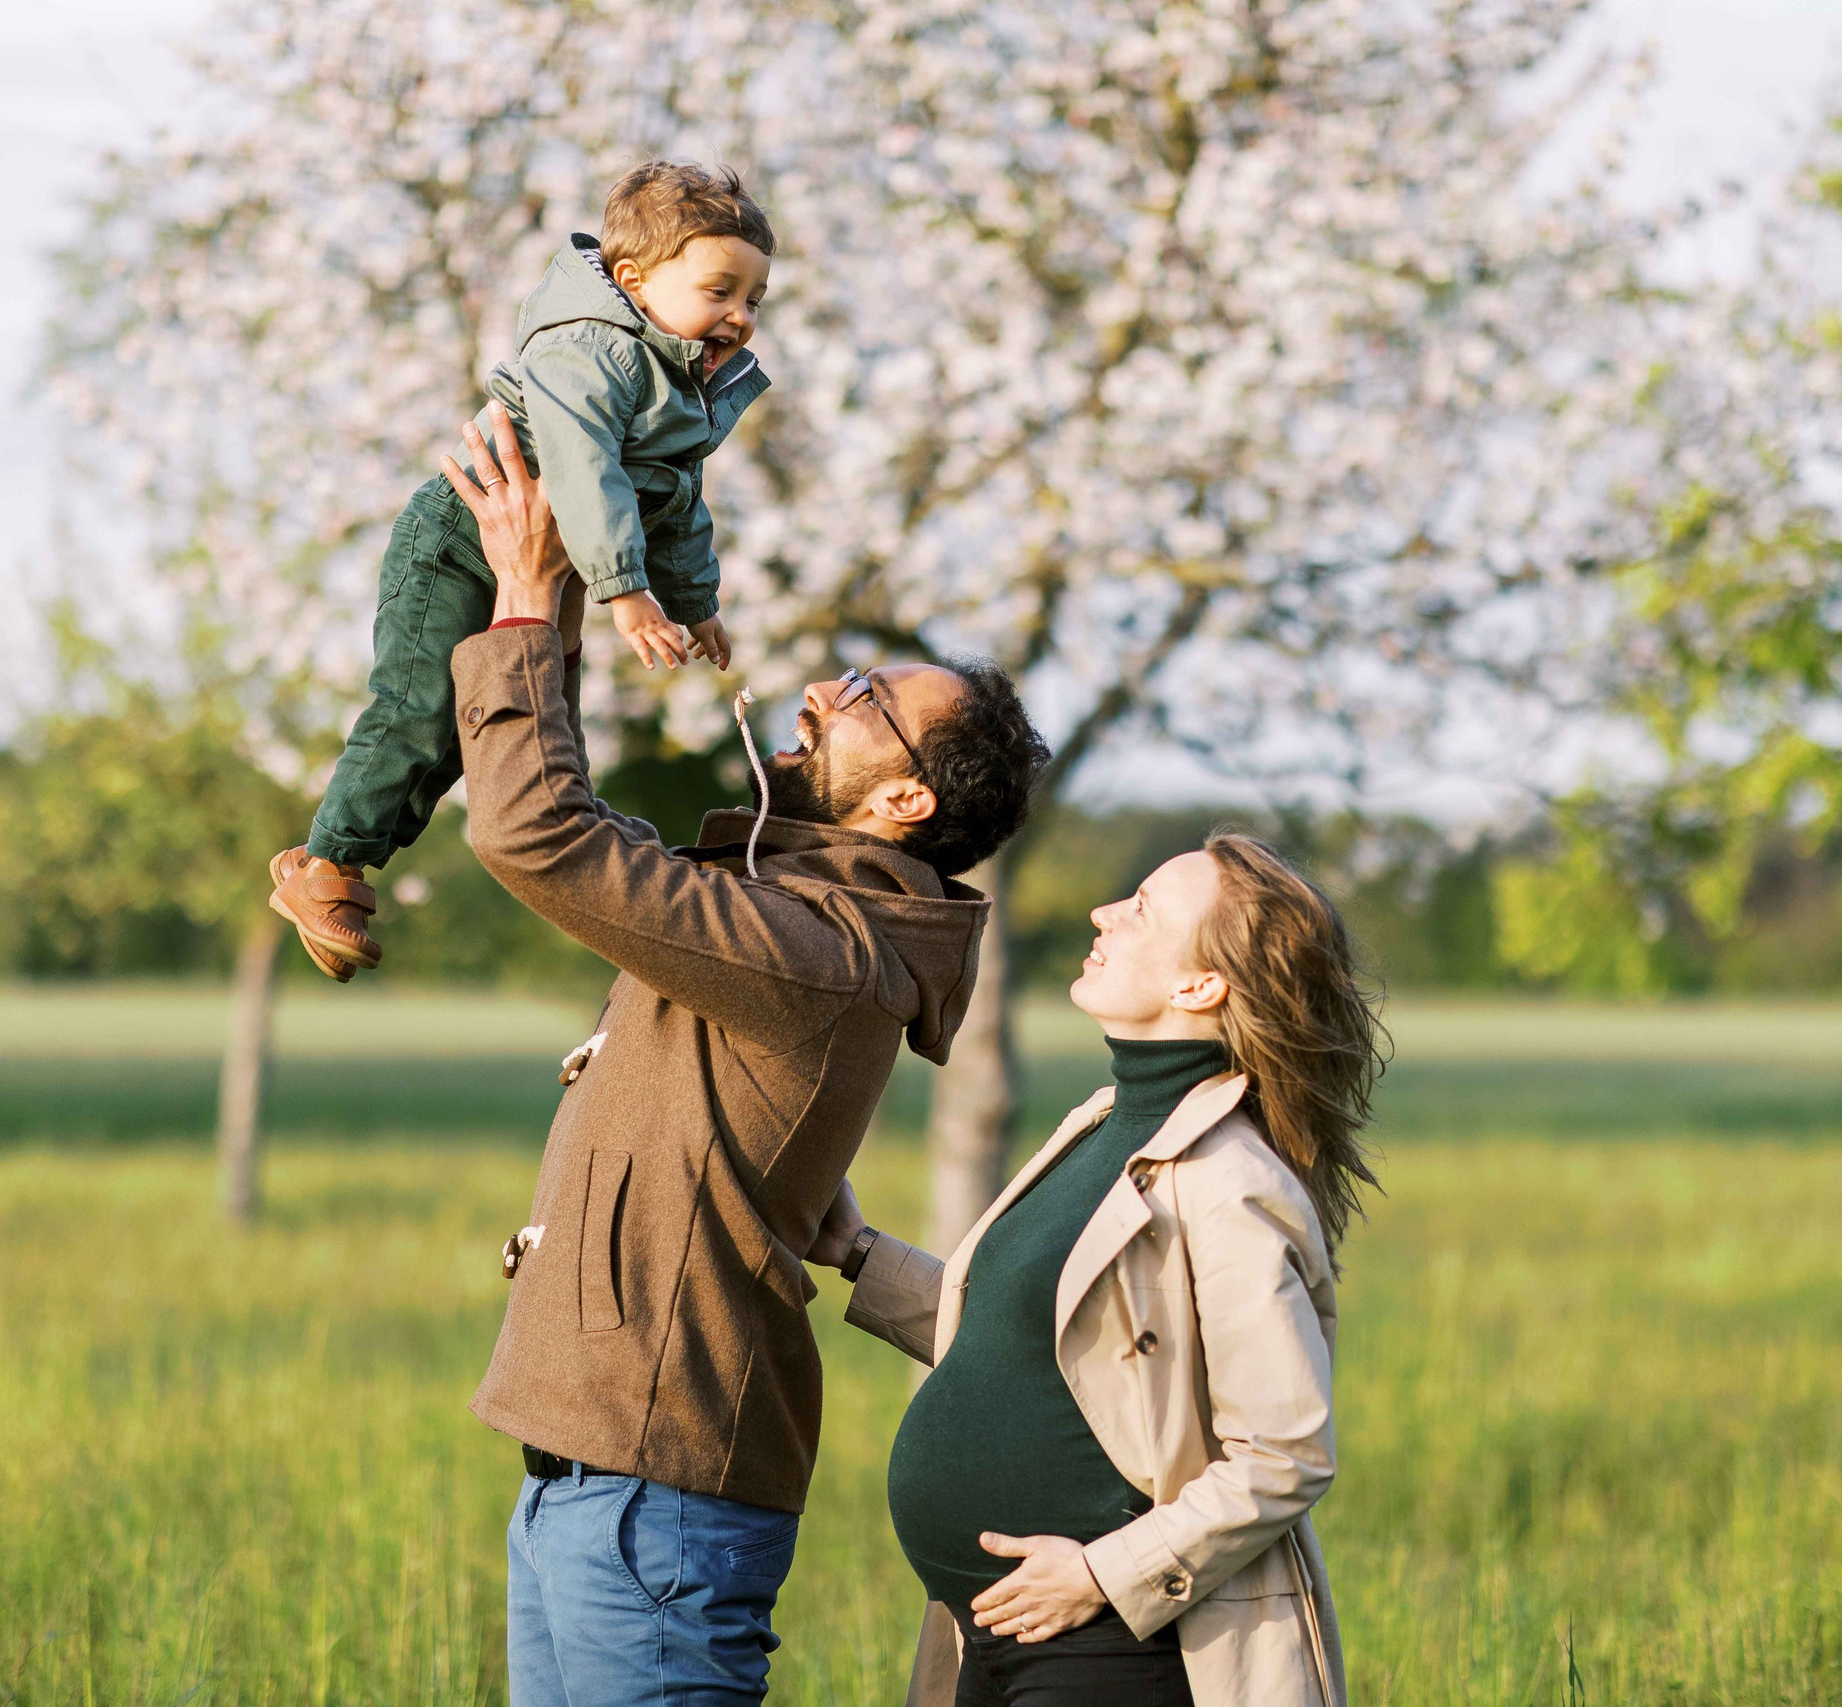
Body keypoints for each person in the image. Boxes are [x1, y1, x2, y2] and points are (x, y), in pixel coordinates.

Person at [434, 400, 1051, 1707]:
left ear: (905, 805)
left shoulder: (820, 951)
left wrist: (531, 600)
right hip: (594, 1483)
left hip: (653, 1503)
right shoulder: (804, 921)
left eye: (872, 697)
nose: (830, 684)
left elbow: (538, 833)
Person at [813, 833, 1386, 1706]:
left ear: (1199, 986)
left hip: (1109, 1651)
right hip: (991, 1640)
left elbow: (1283, 1451)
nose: (1103, 912)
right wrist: (860, 1255)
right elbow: (1051, 1347)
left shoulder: (1230, 1181)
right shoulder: (1108, 1120)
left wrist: (1104, 1575)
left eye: (1143, 908)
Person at [269, 161, 777, 979]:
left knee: (471, 738)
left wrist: (695, 602)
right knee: (419, 709)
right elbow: (581, 469)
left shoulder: (681, 387)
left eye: (755, 299)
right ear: (632, 279)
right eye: (720, 290)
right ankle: (326, 862)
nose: (740, 316)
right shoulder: (591, 351)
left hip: (541, 552)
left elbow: (677, 497)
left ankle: (343, 859)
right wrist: (628, 592)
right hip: (458, 541)